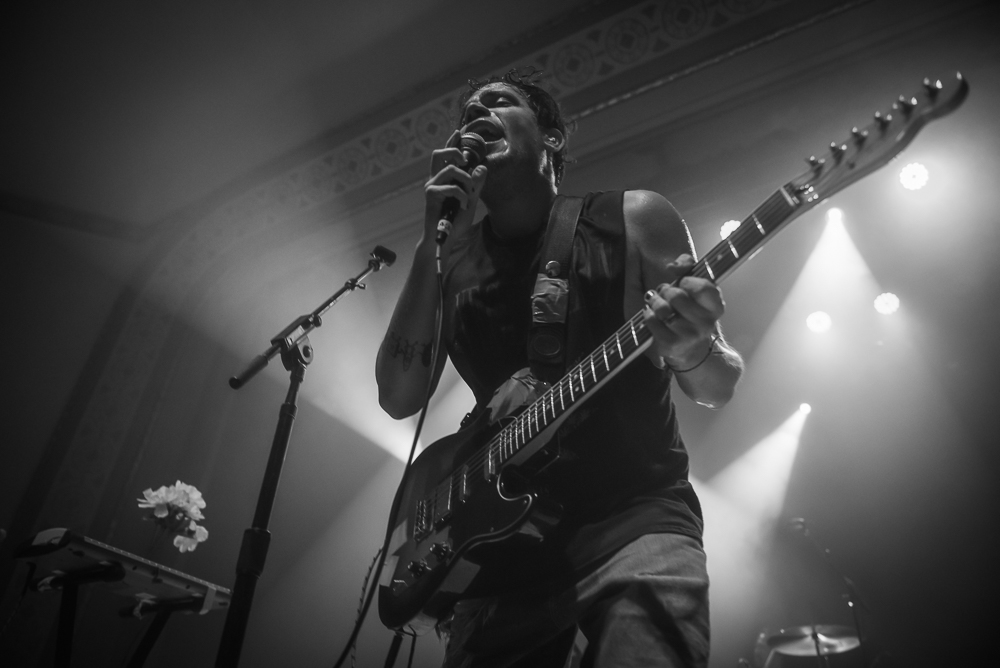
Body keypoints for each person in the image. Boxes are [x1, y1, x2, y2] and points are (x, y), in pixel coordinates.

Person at [375, 68, 744, 668]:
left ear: (551, 139)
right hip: (499, 560)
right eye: (466, 114)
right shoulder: (455, 265)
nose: (475, 116)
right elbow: (398, 395)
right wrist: (430, 247)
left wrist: (690, 348)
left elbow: (718, 384)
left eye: (497, 104)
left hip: (633, 520)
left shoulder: (631, 217)